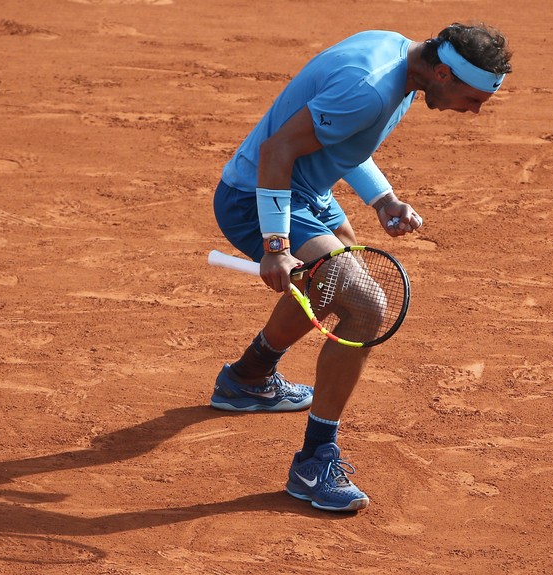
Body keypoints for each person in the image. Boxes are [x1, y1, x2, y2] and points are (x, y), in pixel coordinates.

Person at [210, 22, 512, 512]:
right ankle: (314, 462)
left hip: (308, 189)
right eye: (473, 99)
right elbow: (277, 150)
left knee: (335, 283)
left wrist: (382, 197)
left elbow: (343, 138)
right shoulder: (370, 88)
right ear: (442, 73)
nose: (474, 112)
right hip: (259, 195)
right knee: (367, 304)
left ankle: (247, 378)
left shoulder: (401, 58)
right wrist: (274, 244)